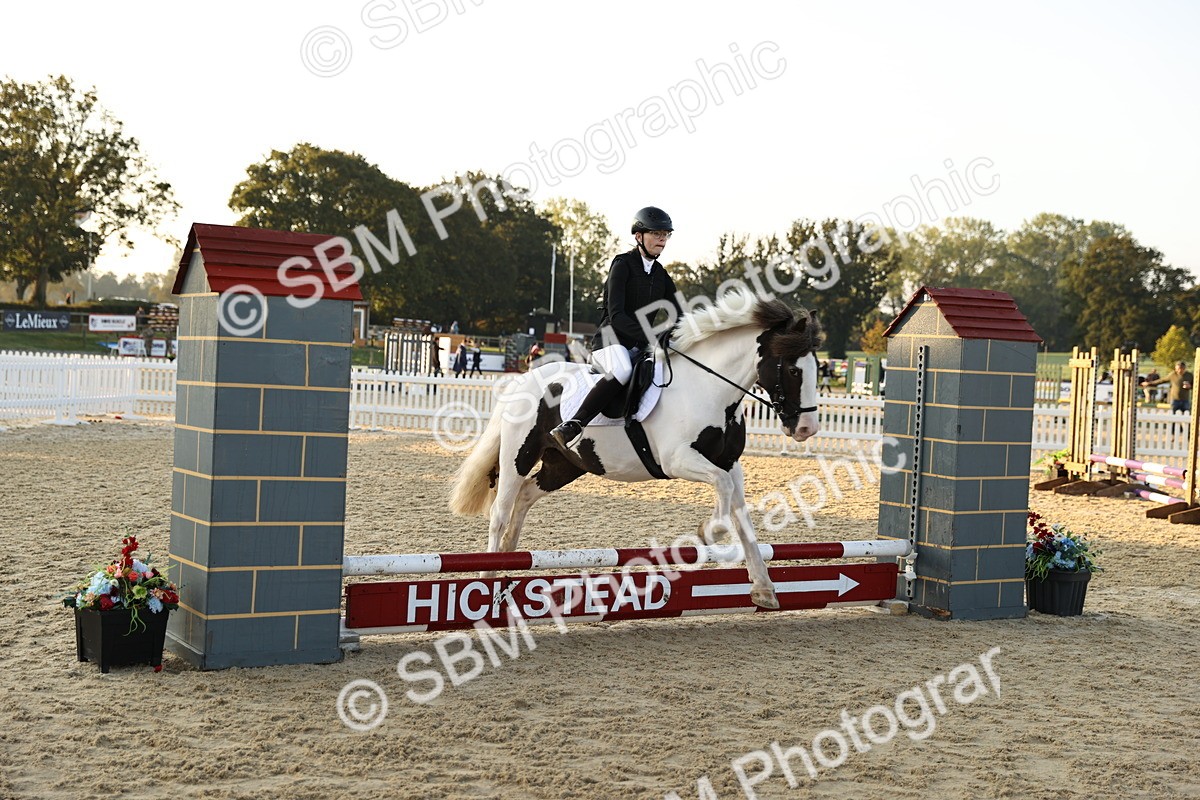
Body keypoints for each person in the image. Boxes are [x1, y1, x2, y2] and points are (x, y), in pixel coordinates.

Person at [549, 206, 683, 451]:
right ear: (639, 236)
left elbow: (680, 314)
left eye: (666, 234)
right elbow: (617, 315)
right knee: (621, 370)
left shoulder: (661, 274)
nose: (662, 239)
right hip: (610, 341)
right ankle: (573, 424)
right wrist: (652, 336)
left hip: (641, 345)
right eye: (656, 233)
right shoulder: (622, 264)